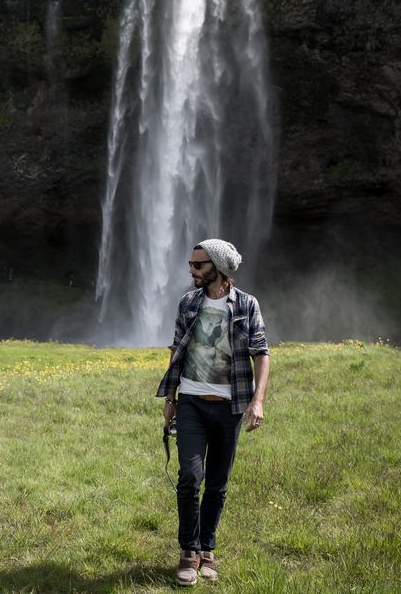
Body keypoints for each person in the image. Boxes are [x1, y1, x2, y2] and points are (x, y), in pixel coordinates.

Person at [156, 238, 269, 586]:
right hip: (191, 402)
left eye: (198, 265)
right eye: (190, 264)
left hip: (230, 406)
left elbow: (261, 353)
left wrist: (258, 400)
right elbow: (177, 348)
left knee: (217, 484)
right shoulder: (188, 302)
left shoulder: (247, 305)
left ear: (217, 268)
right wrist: (171, 398)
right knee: (190, 478)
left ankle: (207, 549)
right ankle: (188, 552)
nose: (191, 270)